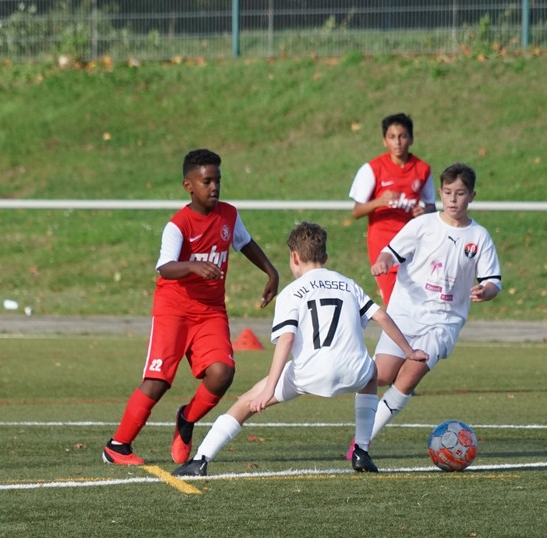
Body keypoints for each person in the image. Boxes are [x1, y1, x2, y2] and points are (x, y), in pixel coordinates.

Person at [173, 222, 428, 477]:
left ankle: (201, 460)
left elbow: (286, 340)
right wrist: (409, 352)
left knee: (246, 402)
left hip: (309, 374)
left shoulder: (291, 293)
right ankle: (361, 449)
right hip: (353, 372)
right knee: (371, 373)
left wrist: (270, 388)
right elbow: (381, 316)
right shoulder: (348, 284)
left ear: (294, 257)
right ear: (325, 257)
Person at [103, 149, 280, 466]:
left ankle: (186, 419)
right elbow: (165, 268)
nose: (214, 187)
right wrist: (193, 266)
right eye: (206, 181)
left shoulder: (229, 215)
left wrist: (271, 272)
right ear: (188, 185)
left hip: (211, 311)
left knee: (222, 374)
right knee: (158, 381)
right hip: (174, 309)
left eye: (217, 181)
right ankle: (117, 446)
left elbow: (245, 243)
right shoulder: (178, 225)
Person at [359, 162, 501, 449]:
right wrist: (384, 262)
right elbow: (390, 252)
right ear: (440, 192)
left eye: (460, 193)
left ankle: (361, 442)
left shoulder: (479, 236)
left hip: (443, 322)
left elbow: (493, 281)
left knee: (409, 376)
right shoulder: (423, 225)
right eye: (447, 192)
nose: (453, 199)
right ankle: (361, 430)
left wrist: (485, 291)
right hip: (404, 314)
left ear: (472, 196)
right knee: (381, 375)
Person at [349, 113, 436, 305]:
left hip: (412, 242)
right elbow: (356, 211)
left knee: (416, 300)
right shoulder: (373, 169)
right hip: (382, 244)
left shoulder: (422, 169)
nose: (397, 142)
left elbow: (432, 206)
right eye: (392, 137)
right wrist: (378, 202)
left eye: (402, 136)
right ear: (384, 141)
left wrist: (426, 211)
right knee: (393, 302)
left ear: (411, 139)